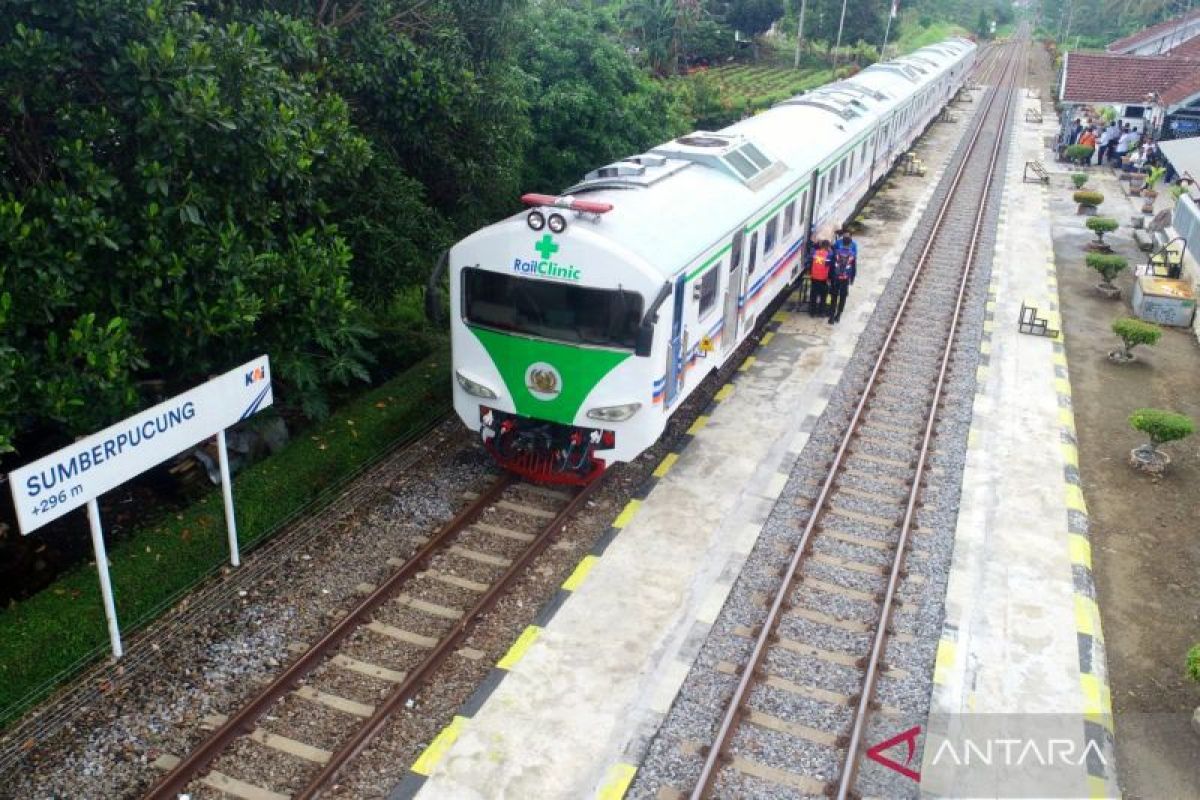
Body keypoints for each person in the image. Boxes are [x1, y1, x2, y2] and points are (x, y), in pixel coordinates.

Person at [828, 231, 857, 325]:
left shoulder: (836, 252)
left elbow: (831, 265)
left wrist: (829, 277)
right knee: (843, 297)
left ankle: (831, 317)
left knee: (834, 296)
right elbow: (853, 267)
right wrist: (852, 279)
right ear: (850, 243)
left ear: (842, 242)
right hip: (845, 278)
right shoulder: (852, 254)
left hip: (835, 278)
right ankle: (838, 315)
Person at [808, 239, 831, 317]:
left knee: (813, 295)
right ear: (827, 247)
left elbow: (810, 260)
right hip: (823, 278)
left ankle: (812, 312)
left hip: (814, 277)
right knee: (823, 296)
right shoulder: (828, 255)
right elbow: (829, 266)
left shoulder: (815, 253)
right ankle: (821, 312)